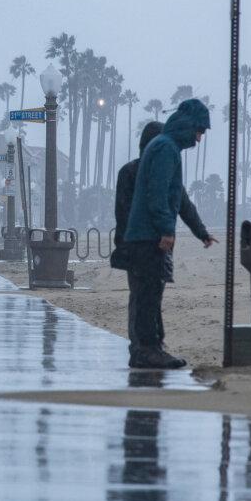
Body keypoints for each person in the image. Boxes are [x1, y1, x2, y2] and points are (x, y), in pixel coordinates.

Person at [123, 99, 218, 369]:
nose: (199, 139)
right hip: (149, 238)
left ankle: (148, 348)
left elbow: (180, 199)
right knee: (149, 294)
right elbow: (159, 194)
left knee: (148, 293)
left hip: (144, 235)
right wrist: (166, 230)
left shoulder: (164, 146)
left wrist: (201, 232)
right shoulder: (166, 149)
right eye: (199, 132)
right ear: (189, 125)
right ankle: (148, 350)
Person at [111, 121, 166, 349]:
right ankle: (145, 343)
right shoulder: (146, 172)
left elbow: (121, 211)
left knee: (144, 295)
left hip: (138, 244)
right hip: (146, 245)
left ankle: (147, 341)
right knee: (147, 295)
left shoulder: (129, 171)